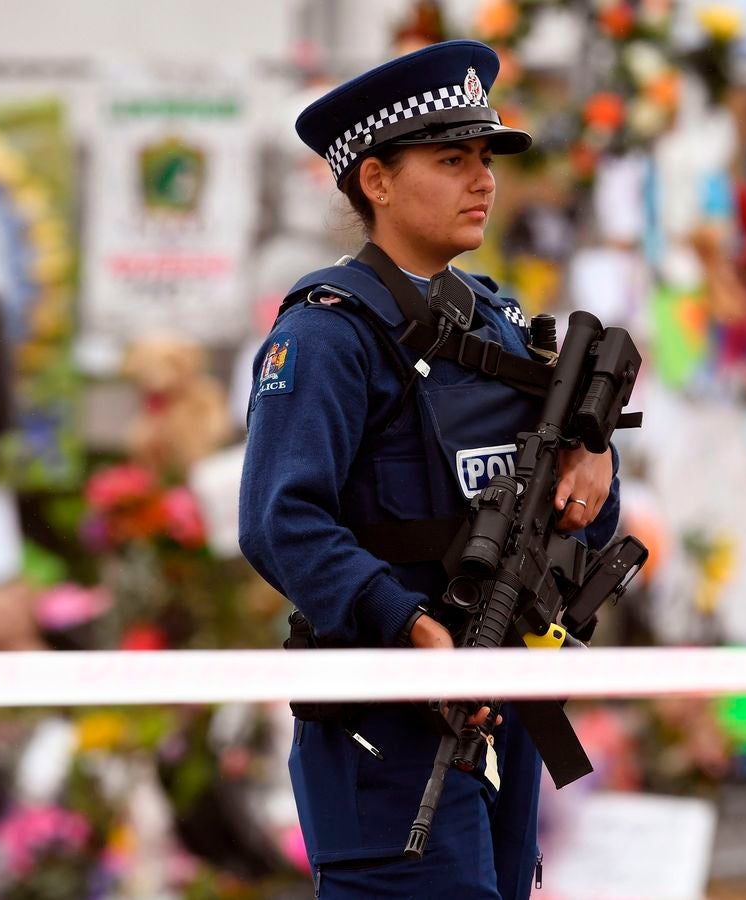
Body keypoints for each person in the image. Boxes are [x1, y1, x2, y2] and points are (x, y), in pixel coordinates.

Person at [239, 39, 621, 899]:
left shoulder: (497, 322)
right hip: (387, 723)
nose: (482, 180)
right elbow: (280, 522)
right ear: (375, 180)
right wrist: (412, 629)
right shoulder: (326, 335)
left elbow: (573, 506)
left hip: (502, 705)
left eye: (484, 159)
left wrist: (595, 455)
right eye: (452, 160)